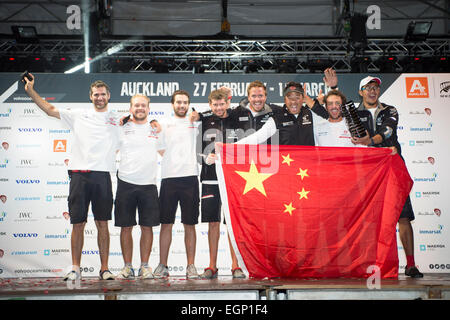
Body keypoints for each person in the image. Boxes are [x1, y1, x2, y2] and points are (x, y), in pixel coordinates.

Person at [24, 74, 118, 281]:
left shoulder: (118, 119)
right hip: (79, 176)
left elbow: (141, 123)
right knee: (78, 223)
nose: (99, 97)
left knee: (103, 224)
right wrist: (30, 91)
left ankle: (104, 269)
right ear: (90, 96)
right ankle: (75, 268)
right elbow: (50, 110)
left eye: (103, 94)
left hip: (102, 176)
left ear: (109, 96)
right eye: (96, 94)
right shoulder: (78, 115)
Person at [351, 76, 423, 278]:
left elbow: (387, 131)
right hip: (366, 172)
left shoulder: (390, 110)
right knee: (367, 220)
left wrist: (370, 141)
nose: (372, 91)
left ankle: (411, 265)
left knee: (403, 216)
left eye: (375, 87)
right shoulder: (354, 113)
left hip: (392, 169)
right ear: (361, 91)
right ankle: (367, 265)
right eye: (368, 88)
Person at [153, 90, 201, 279]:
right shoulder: (163, 124)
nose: (182, 105)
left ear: (189, 104)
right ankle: (163, 265)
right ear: (172, 104)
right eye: (178, 102)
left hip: (190, 178)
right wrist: (174, 163)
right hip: (169, 180)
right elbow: (160, 149)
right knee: (166, 224)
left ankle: (191, 266)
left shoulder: (196, 123)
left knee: (190, 225)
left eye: (185, 102)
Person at [198, 89, 245, 279]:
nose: (219, 108)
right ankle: (212, 265)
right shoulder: (204, 122)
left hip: (232, 179)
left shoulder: (237, 117)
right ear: (210, 105)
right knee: (213, 223)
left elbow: (243, 148)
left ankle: (236, 266)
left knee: (232, 224)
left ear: (227, 103)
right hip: (210, 178)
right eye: (215, 105)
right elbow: (197, 151)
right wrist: (205, 158)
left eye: (222, 104)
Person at [115, 94, 162, 279]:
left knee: (147, 227)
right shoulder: (121, 127)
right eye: (136, 105)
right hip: (125, 182)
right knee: (126, 227)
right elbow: (108, 147)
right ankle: (127, 267)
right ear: (130, 108)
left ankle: (144, 266)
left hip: (148, 184)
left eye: (143, 105)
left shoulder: (155, 129)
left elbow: (166, 151)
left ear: (149, 109)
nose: (140, 108)